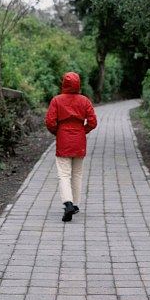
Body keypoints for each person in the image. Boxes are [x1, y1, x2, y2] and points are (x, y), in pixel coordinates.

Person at [45, 71, 97, 222]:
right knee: (77, 173)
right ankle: (75, 204)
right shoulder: (84, 100)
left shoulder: (56, 100)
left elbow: (50, 122)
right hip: (79, 140)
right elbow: (93, 122)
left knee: (64, 174)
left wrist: (58, 132)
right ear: (78, 84)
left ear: (64, 83)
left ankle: (67, 202)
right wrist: (83, 130)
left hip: (63, 139)